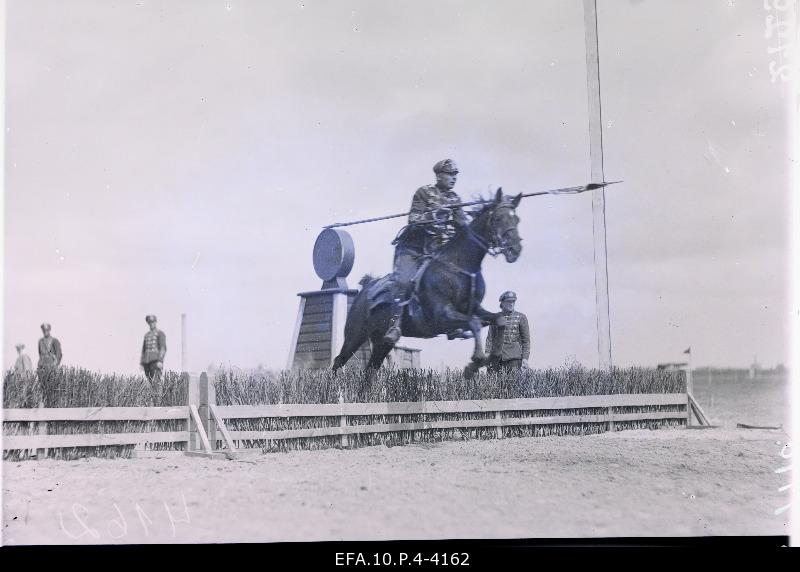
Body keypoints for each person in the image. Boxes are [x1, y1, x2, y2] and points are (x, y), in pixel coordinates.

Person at [383, 159, 470, 344]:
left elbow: (463, 227)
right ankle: (394, 325)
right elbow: (413, 219)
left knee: (456, 282)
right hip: (413, 249)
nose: (453, 178)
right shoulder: (424, 192)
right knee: (404, 281)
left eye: (455, 175)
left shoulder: (455, 199)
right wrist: (434, 214)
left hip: (436, 251)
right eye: (449, 174)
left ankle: (453, 326)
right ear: (439, 175)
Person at [485, 291, 530, 373]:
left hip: (514, 359)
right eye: (509, 302)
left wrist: (525, 358)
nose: (511, 304)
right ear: (502, 303)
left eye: (513, 302)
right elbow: (489, 339)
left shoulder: (521, 317)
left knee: (513, 384)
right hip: (496, 358)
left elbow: (526, 341)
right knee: (493, 384)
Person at [141, 315, 167, 382]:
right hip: (146, 363)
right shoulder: (147, 335)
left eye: (153, 322)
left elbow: (163, 348)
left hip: (155, 362)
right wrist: (142, 363)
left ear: (155, 322)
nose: (151, 324)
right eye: (149, 322)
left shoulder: (160, 333)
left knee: (156, 382)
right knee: (149, 382)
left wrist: (160, 360)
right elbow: (143, 350)